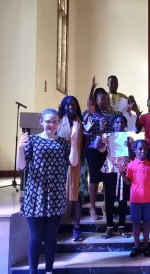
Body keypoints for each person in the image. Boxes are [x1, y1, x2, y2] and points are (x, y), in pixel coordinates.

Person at [16, 108, 79, 274]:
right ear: (41, 122)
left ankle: (49, 270)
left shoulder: (63, 143)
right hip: (35, 194)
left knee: (51, 237)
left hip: (55, 195)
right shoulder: (32, 140)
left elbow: (74, 162)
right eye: (48, 121)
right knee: (36, 237)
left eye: (55, 121)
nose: (51, 124)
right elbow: (21, 166)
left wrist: (73, 142)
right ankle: (33, 271)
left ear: (59, 124)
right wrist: (20, 149)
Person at [84, 88, 119, 220]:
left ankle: (107, 206)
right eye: (102, 98)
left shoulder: (113, 114)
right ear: (96, 101)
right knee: (94, 178)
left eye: (107, 98)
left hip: (109, 150)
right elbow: (85, 131)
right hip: (93, 149)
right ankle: (92, 207)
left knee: (107, 179)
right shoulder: (90, 113)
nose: (105, 101)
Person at [121, 139, 150, 257]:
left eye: (145, 149)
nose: (143, 151)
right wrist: (121, 173)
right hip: (135, 201)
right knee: (136, 224)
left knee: (147, 224)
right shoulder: (131, 165)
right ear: (134, 150)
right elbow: (128, 182)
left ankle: (146, 246)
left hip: (148, 200)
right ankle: (136, 246)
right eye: (140, 149)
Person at [99, 115, 132, 239]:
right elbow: (99, 148)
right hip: (110, 170)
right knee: (109, 199)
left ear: (125, 125)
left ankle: (122, 226)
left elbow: (132, 156)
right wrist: (102, 131)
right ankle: (109, 227)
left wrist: (129, 146)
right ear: (113, 124)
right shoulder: (108, 137)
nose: (119, 124)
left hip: (124, 171)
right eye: (117, 122)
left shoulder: (128, 138)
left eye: (122, 122)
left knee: (122, 199)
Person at [57, 96, 85, 242]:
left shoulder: (80, 122)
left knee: (77, 196)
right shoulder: (59, 122)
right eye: (68, 105)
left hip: (77, 163)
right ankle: (54, 227)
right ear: (63, 107)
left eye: (73, 105)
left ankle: (77, 227)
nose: (71, 107)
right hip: (61, 162)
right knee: (60, 194)